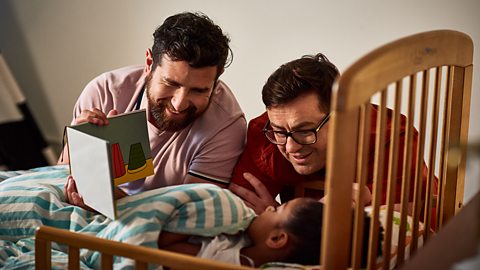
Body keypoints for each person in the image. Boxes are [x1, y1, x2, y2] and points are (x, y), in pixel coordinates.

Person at [60, 12, 246, 207]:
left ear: (217, 77)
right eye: (170, 83)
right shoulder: (104, 93)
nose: (179, 103)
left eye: (198, 90)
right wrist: (77, 151)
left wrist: (116, 200)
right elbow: (56, 180)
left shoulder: (227, 126)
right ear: (149, 63)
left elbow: (192, 215)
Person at [229, 53, 431, 214]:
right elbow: (238, 210)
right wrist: (287, 218)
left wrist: (278, 218)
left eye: (305, 130)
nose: (290, 147)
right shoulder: (267, 135)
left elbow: (390, 228)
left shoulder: (392, 138)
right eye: (280, 131)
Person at [157, 196, 382, 267]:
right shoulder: (244, 244)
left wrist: (203, 216)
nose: (268, 207)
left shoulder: (224, 259)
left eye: (277, 209)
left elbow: (165, 249)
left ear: (276, 238)